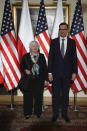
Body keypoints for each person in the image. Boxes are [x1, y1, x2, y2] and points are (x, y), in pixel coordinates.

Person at [48, 22, 78, 122]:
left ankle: (64, 114)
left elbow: (74, 58)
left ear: (67, 30)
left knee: (65, 95)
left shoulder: (72, 42)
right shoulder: (54, 42)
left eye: (64, 29)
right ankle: (55, 114)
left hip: (67, 74)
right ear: (59, 30)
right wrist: (50, 73)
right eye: (60, 29)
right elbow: (50, 58)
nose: (62, 31)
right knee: (55, 95)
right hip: (56, 74)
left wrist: (74, 72)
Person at [20, 41, 48, 119]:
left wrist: (46, 79)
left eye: (36, 46)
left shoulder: (42, 56)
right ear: (30, 48)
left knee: (39, 97)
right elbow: (22, 66)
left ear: (38, 48)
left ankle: (38, 112)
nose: (34, 48)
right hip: (29, 80)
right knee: (27, 97)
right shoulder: (25, 56)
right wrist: (25, 70)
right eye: (33, 46)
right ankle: (27, 113)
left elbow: (45, 69)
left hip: (39, 80)